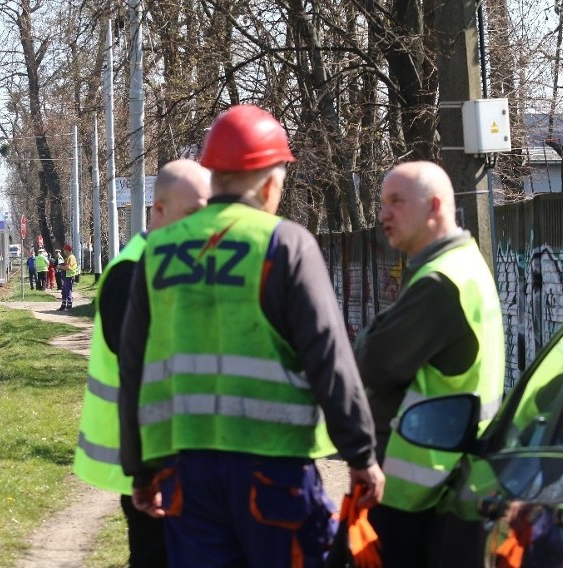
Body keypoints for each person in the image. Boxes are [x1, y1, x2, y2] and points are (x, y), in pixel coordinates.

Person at [118, 104, 384, 567]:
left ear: (213, 174)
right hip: (274, 470)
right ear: (269, 179)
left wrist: (139, 469)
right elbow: (330, 357)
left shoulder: (157, 252)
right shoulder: (285, 244)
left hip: (188, 471)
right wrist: (361, 454)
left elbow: (133, 365)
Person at [353, 161, 505, 567]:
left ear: (435, 206)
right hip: (443, 480)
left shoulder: (441, 281)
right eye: (383, 202)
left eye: (396, 202)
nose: (383, 213)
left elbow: (370, 363)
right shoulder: (462, 267)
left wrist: (370, 335)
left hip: (414, 492)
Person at [73, 158, 212, 568]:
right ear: (158, 210)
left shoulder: (170, 266)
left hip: (167, 456)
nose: (202, 228)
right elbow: (145, 366)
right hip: (150, 460)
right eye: (192, 215)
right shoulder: (132, 272)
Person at [57, 244, 78, 310]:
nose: (64, 251)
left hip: (69, 276)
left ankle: (69, 305)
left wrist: (60, 267)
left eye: (64, 250)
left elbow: (68, 267)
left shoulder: (71, 258)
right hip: (66, 276)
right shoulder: (68, 258)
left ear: (67, 250)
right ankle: (63, 305)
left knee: (68, 291)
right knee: (64, 291)